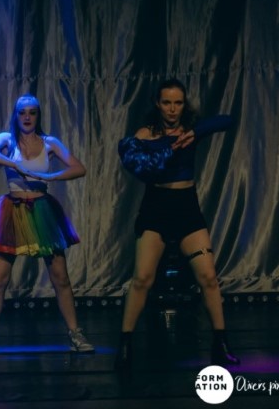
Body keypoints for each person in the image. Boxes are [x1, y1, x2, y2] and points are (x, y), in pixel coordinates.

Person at [116, 78, 240, 369]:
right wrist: (169, 148)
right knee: (142, 279)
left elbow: (228, 120)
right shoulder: (145, 134)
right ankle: (125, 346)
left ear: (184, 105)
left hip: (187, 209)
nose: (172, 109)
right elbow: (141, 167)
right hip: (157, 208)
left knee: (208, 277)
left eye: (178, 103)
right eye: (167, 103)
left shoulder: (189, 130)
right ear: (157, 104)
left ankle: (221, 345)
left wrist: (194, 133)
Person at [0, 94, 94, 355]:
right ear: (16, 115)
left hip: (41, 210)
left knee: (60, 277)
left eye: (32, 112)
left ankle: (76, 334)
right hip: (13, 211)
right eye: (22, 112)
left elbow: (78, 168)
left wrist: (50, 176)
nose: (27, 117)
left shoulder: (49, 142)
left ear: (38, 115)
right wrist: (13, 163)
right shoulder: (7, 139)